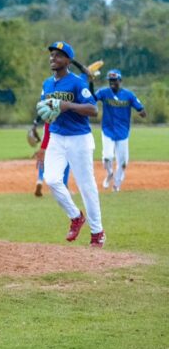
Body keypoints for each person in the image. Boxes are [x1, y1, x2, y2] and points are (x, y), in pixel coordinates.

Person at [38, 41, 105, 247]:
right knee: (51, 179)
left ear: (67, 60)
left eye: (58, 55)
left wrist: (68, 105)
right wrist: (41, 115)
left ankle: (97, 232)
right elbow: (44, 107)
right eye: (52, 55)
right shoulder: (47, 84)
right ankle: (76, 216)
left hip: (79, 139)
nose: (53, 58)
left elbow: (93, 110)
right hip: (57, 138)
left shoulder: (77, 82)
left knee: (87, 187)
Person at [95, 69, 146, 191]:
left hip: (123, 132)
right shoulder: (103, 92)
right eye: (110, 80)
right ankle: (109, 174)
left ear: (120, 80)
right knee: (107, 157)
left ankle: (116, 185)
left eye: (114, 80)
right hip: (108, 130)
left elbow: (141, 109)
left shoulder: (128, 95)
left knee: (123, 162)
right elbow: (91, 98)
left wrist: (141, 112)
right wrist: (91, 81)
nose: (112, 82)